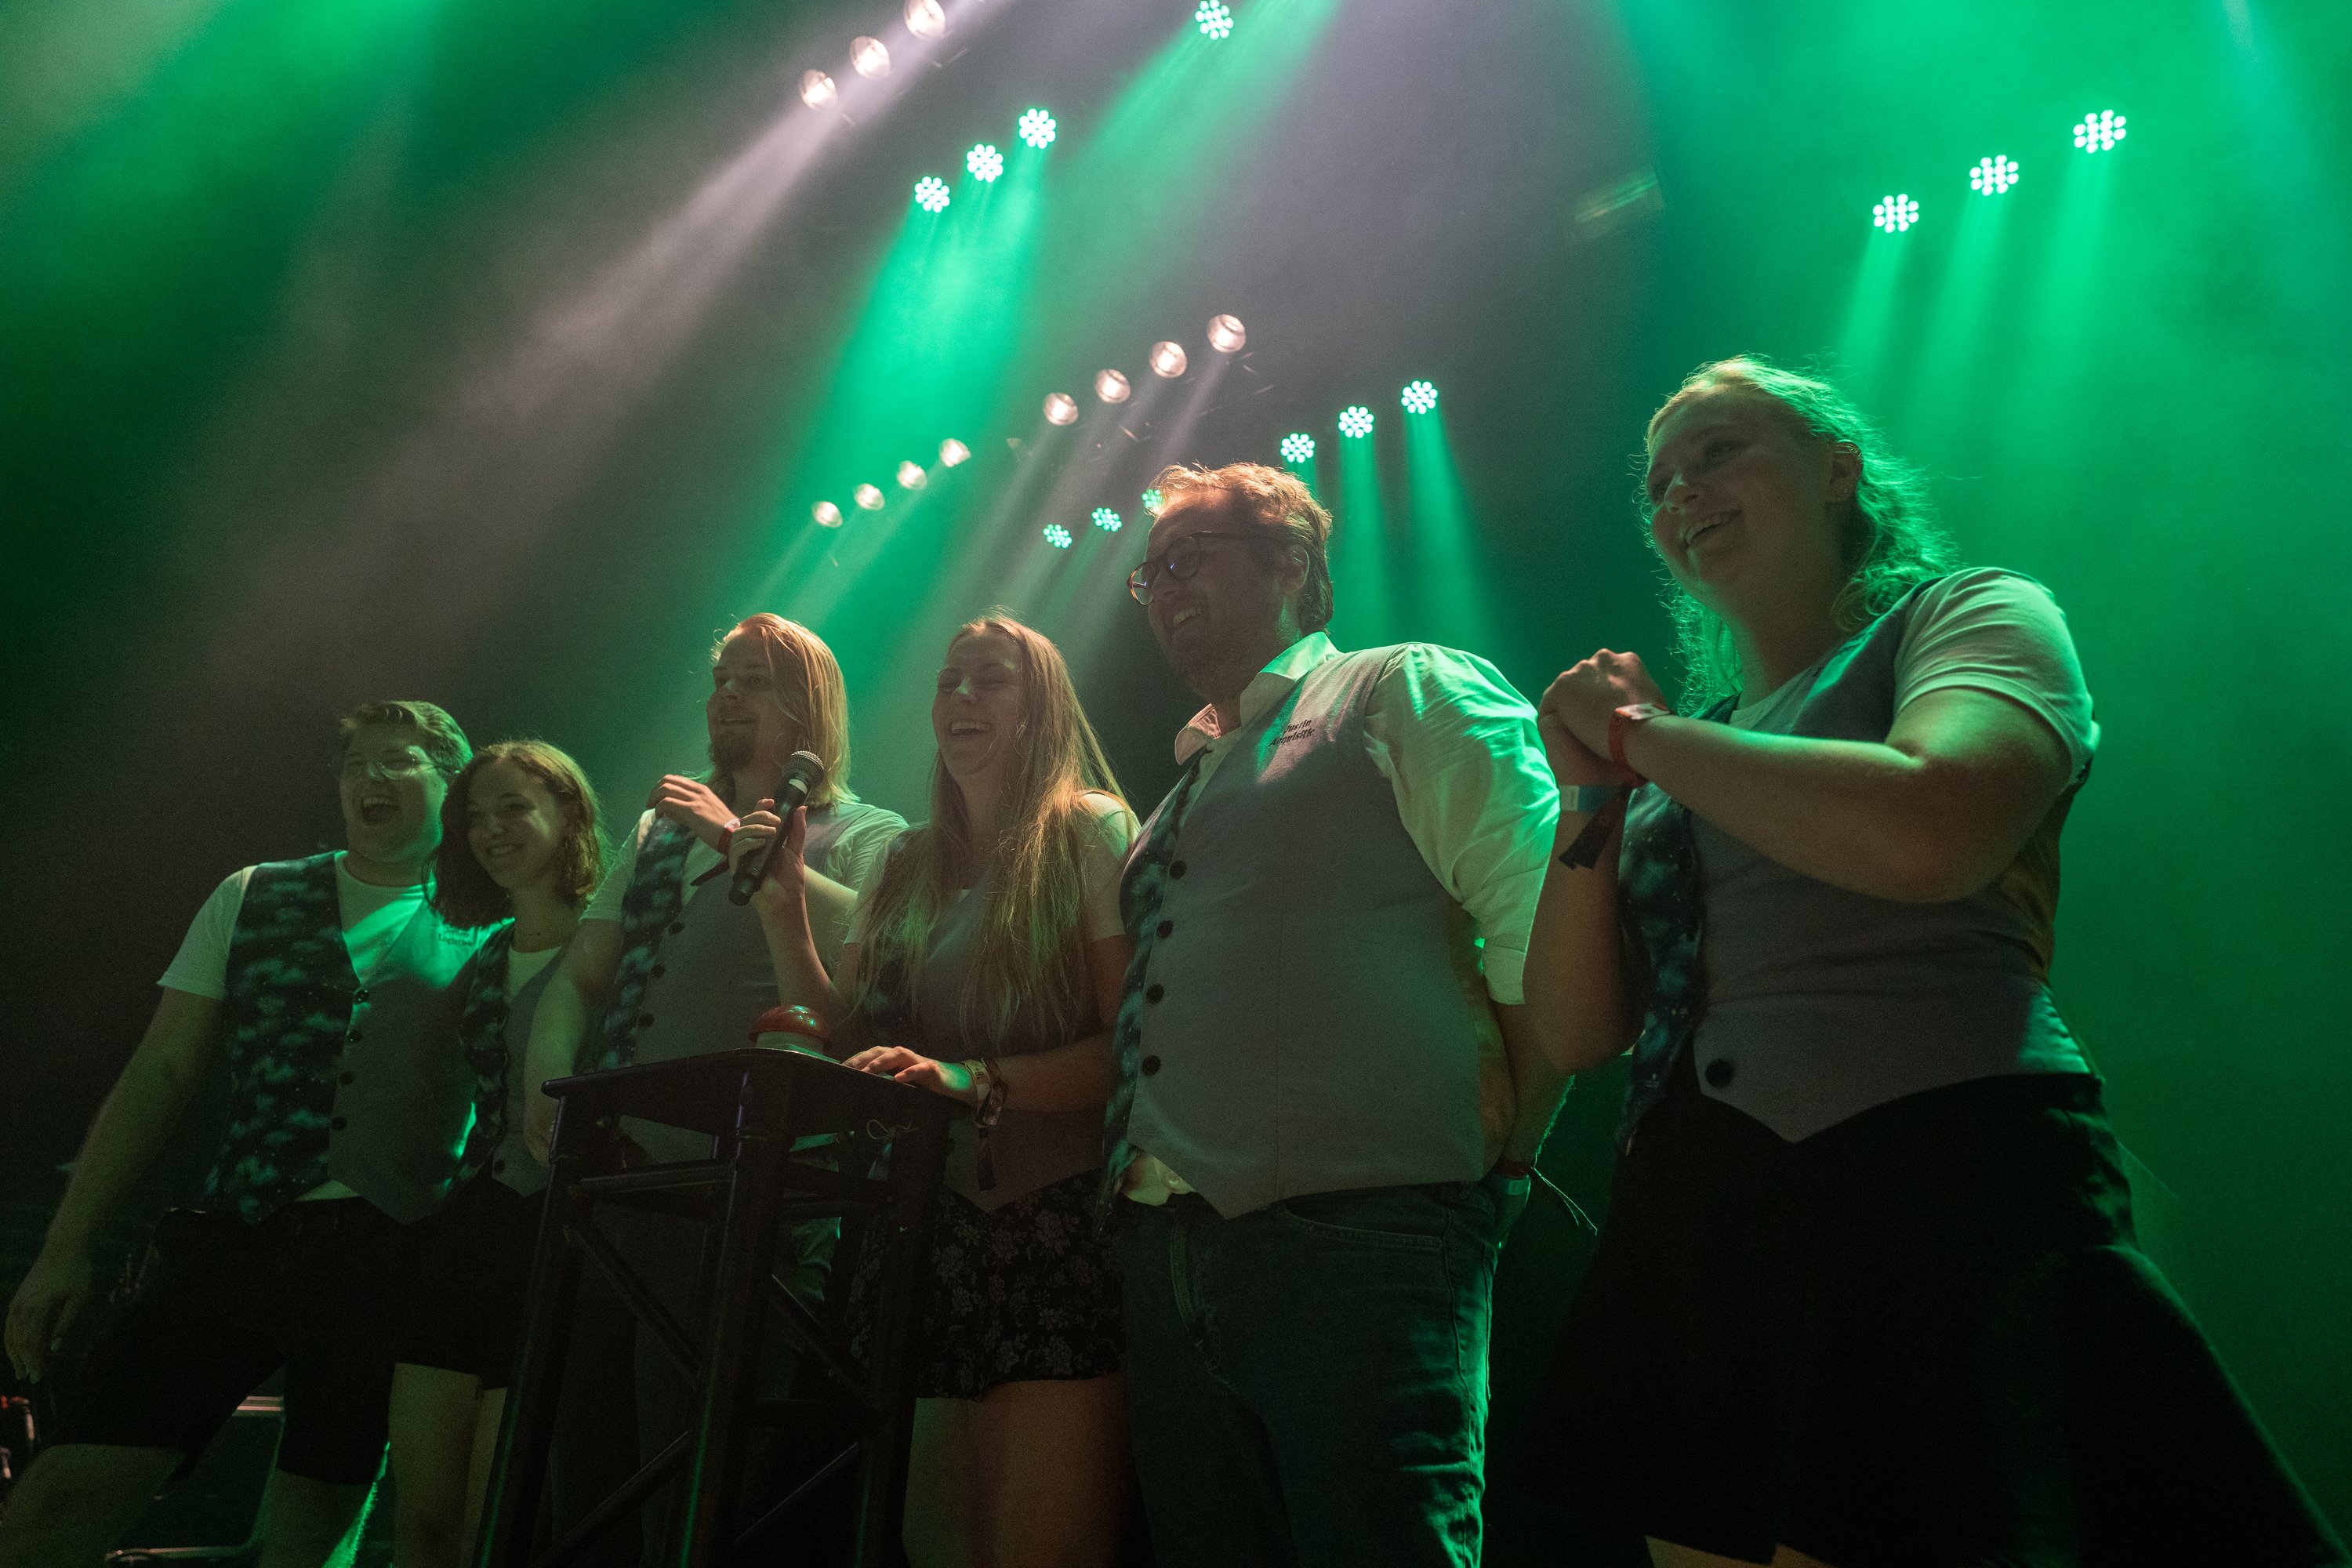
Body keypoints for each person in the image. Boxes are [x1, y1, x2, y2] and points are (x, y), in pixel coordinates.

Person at [1524, 355, 2350, 1568]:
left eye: (1718, 451)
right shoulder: (1682, 758)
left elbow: (1934, 824)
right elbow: (1575, 1032)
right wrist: (1589, 799)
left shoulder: (1975, 614)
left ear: (1838, 471)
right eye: (1656, 483)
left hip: (1937, 1184)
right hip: (1704, 1224)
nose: (1679, 492)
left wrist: (1645, 738)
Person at [1100, 462, 1571, 1568]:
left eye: (1189, 557)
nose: (1164, 588)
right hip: (1166, 1250)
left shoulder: (1400, 687)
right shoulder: (1180, 782)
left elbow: (1548, 926)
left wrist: (1510, 1150)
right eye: (1150, 573)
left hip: (1365, 1237)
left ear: (1293, 567)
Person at [1, 701, 493, 1568]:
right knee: (59, 1498)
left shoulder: (491, 914)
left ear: (452, 784)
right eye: (356, 763)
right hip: (237, 1233)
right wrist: (64, 1249)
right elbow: (160, 1072)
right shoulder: (253, 891)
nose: (369, 777)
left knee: (313, 1520)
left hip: (389, 1252)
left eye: (399, 759)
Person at [727, 612, 1138, 1568]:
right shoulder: (906, 860)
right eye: (949, 679)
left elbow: (1134, 1041)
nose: (960, 695)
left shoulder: (1088, 828)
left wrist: (976, 1078)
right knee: (938, 1543)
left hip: (1051, 1227)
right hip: (922, 1229)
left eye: (990, 678)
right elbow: (850, 1039)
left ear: (1042, 707)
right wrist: (784, 910)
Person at [521, 612, 905, 1565]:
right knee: (586, 1477)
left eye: (754, 680)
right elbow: (582, 975)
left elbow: (891, 948)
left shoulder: (870, 832)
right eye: (721, 678)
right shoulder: (657, 830)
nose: (726, 695)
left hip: (753, 1189)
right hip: (619, 1183)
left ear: (808, 705)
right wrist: (547, 1079)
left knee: (699, 1479)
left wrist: (743, 839)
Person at [386, 741, 606, 1568]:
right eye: (475, 816)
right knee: (421, 1520)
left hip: (560, 1236)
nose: (491, 830)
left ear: (569, 812)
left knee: (499, 1523)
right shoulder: (483, 953)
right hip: (469, 1232)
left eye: (514, 806)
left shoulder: (617, 944)